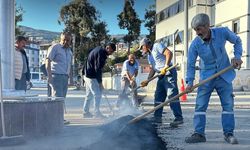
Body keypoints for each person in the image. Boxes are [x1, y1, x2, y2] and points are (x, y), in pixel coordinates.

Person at [185, 13, 243, 144]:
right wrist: (189, 82)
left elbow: (237, 41)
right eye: (195, 30)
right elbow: (190, 64)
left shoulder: (222, 32)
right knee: (200, 106)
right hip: (206, 78)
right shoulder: (195, 44)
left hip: (224, 76)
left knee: (228, 105)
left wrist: (238, 56)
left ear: (207, 26)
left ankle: (228, 133)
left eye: (199, 29)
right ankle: (199, 134)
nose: (197, 33)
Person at [139, 38, 183, 127]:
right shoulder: (149, 56)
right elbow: (153, 69)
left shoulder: (157, 46)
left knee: (172, 95)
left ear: (146, 45)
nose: (141, 49)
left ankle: (178, 118)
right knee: (158, 96)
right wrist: (147, 80)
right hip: (161, 74)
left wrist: (166, 66)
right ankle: (157, 117)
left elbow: (168, 53)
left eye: (141, 47)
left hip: (169, 72)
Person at [82, 43, 116, 118]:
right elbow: (98, 69)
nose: (111, 53)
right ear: (108, 48)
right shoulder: (101, 53)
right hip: (91, 76)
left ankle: (85, 112)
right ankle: (96, 113)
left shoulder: (99, 49)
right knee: (97, 94)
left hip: (87, 74)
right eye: (111, 51)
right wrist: (100, 83)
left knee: (89, 95)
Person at [45, 32, 72, 98]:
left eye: (68, 40)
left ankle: (60, 109)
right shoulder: (55, 47)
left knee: (62, 99)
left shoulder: (69, 51)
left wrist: (70, 79)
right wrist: (49, 76)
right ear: (61, 39)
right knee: (56, 99)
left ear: (70, 41)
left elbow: (69, 65)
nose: (65, 42)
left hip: (65, 77)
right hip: (56, 76)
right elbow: (47, 61)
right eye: (64, 40)